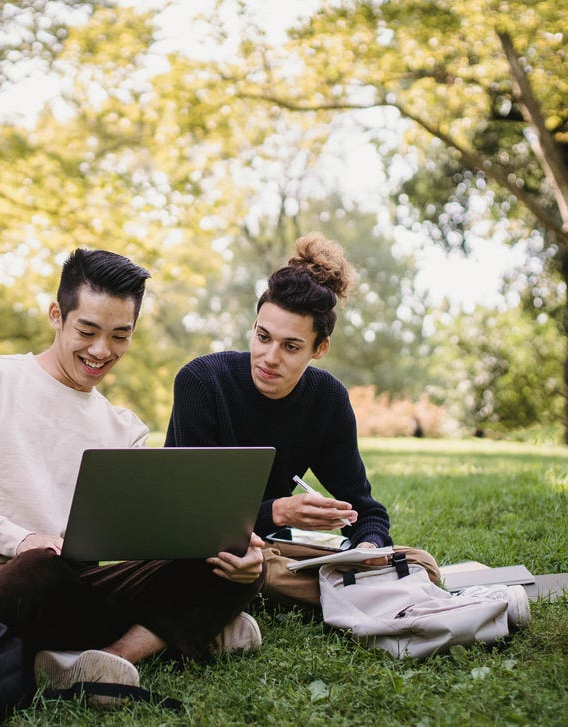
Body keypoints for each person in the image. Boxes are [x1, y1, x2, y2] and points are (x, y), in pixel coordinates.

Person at [0, 248, 265, 698]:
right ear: (57, 314)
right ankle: (182, 631)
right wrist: (19, 540)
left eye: (119, 336)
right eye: (87, 330)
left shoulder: (125, 428)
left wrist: (223, 547)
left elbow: (144, 538)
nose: (101, 351)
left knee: (236, 563)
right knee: (39, 570)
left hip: (78, 588)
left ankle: (106, 657)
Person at [165, 233, 441, 607]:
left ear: (320, 348)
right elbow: (190, 517)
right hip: (205, 551)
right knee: (237, 566)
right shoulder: (202, 382)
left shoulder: (327, 399)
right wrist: (279, 511)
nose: (269, 357)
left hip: (272, 554)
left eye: (291, 346)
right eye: (263, 337)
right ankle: (364, 590)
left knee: (420, 563)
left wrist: (369, 547)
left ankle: (354, 582)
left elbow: (366, 511)